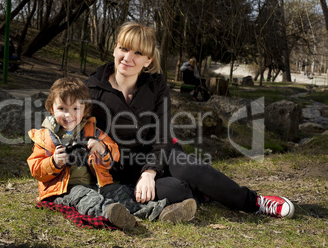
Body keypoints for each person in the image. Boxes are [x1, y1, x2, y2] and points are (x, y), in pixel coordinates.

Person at [85, 22, 295, 219]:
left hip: (160, 152)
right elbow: (74, 130)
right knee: (177, 191)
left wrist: (149, 171)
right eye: (123, 49)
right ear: (114, 49)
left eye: (138, 53)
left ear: (148, 60)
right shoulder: (93, 89)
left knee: (188, 168)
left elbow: (162, 134)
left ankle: (255, 202)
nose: (127, 57)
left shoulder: (156, 86)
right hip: (125, 167)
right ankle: (201, 191)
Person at [27, 77, 197, 230]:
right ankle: (112, 214)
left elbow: (114, 155)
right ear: (51, 109)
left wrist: (101, 149)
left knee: (120, 192)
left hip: (97, 183)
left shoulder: (93, 131)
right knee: (87, 198)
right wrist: (54, 162)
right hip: (63, 189)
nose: (68, 114)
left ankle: (162, 211)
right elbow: (35, 169)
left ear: (85, 110)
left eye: (75, 109)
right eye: (62, 108)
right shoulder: (44, 137)